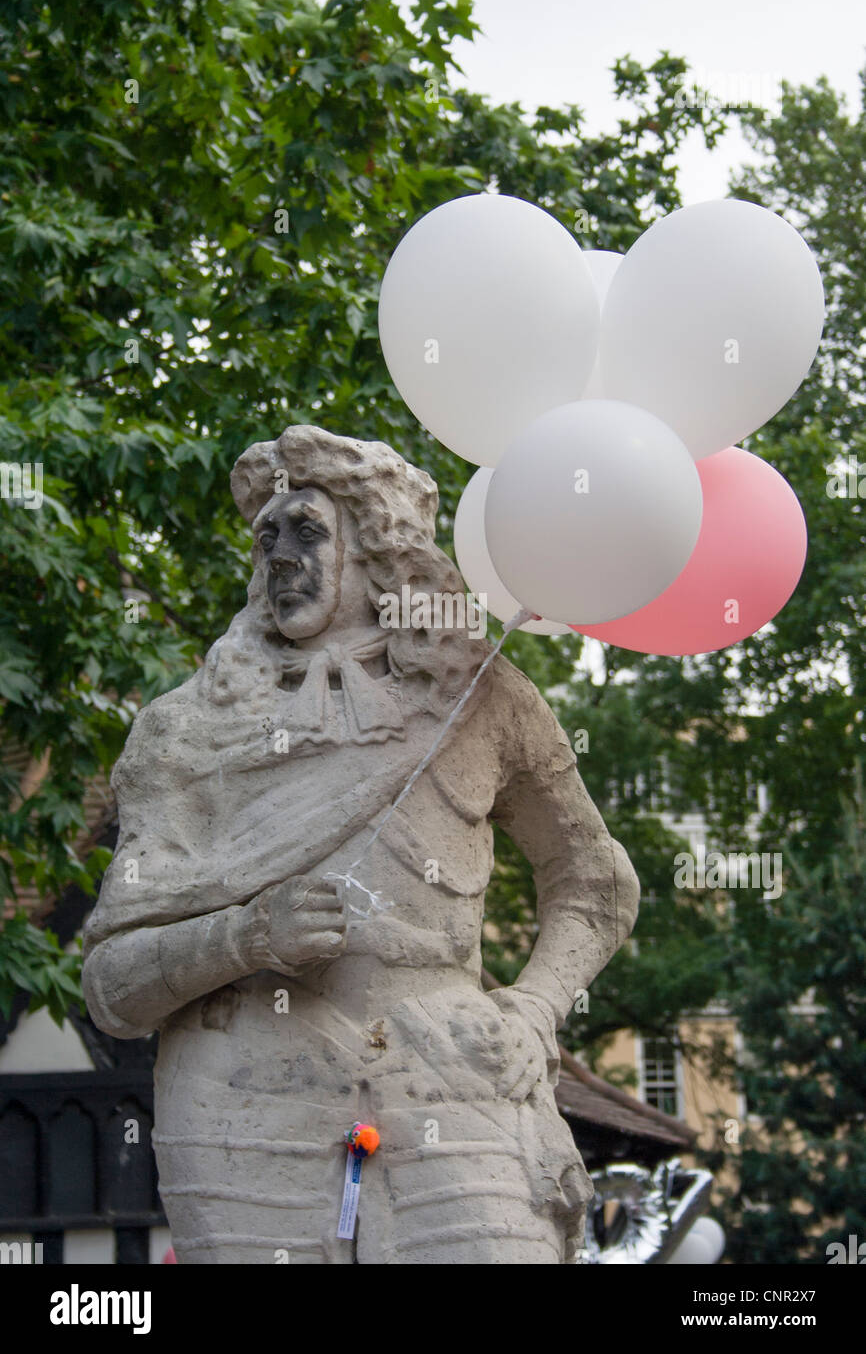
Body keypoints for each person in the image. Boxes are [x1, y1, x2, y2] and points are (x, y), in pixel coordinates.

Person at [82, 424, 640, 1264]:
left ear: (381, 544)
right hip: (246, 1091)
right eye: (266, 536)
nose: (280, 555)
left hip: (452, 1070)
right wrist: (242, 936)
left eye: (307, 530)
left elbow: (596, 881)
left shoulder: (484, 699)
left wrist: (534, 1008)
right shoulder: (184, 729)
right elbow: (113, 988)